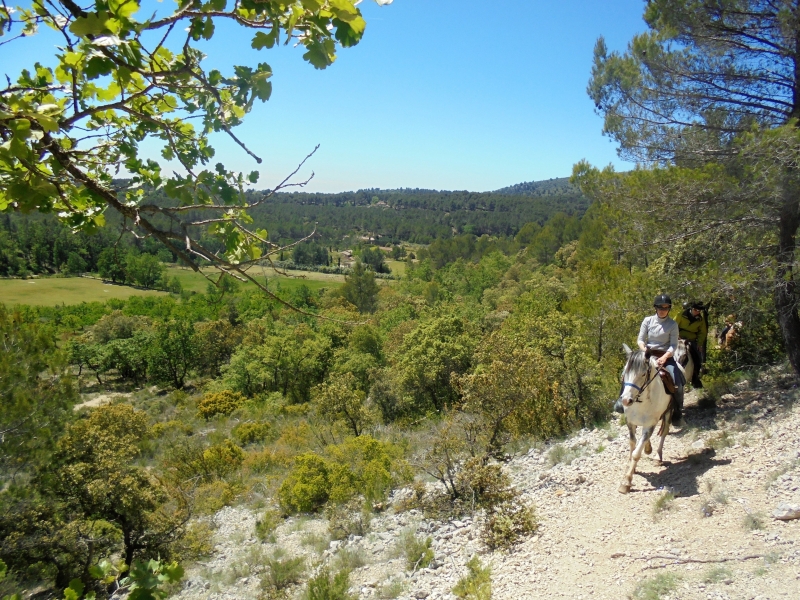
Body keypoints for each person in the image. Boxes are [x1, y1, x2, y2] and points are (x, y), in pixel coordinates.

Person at [638, 294, 686, 427]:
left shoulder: (672, 324)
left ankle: (677, 411)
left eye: (666, 307)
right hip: (648, 353)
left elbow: (673, 345)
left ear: (669, 309)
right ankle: (622, 403)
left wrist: (664, 357)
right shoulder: (647, 321)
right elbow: (640, 339)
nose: (663, 310)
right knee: (630, 372)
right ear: (656, 308)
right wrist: (644, 350)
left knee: (678, 382)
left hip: (666, 356)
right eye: (660, 307)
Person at [675, 300, 708, 388]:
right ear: (692, 308)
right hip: (677, 338)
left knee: (697, 357)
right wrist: (677, 336)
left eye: (699, 311)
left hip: (691, 340)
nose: (697, 312)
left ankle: (695, 378)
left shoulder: (700, 320)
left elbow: (702, 332)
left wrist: (699, 343)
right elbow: (674, 326)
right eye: (696, 310)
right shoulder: (681, 315)